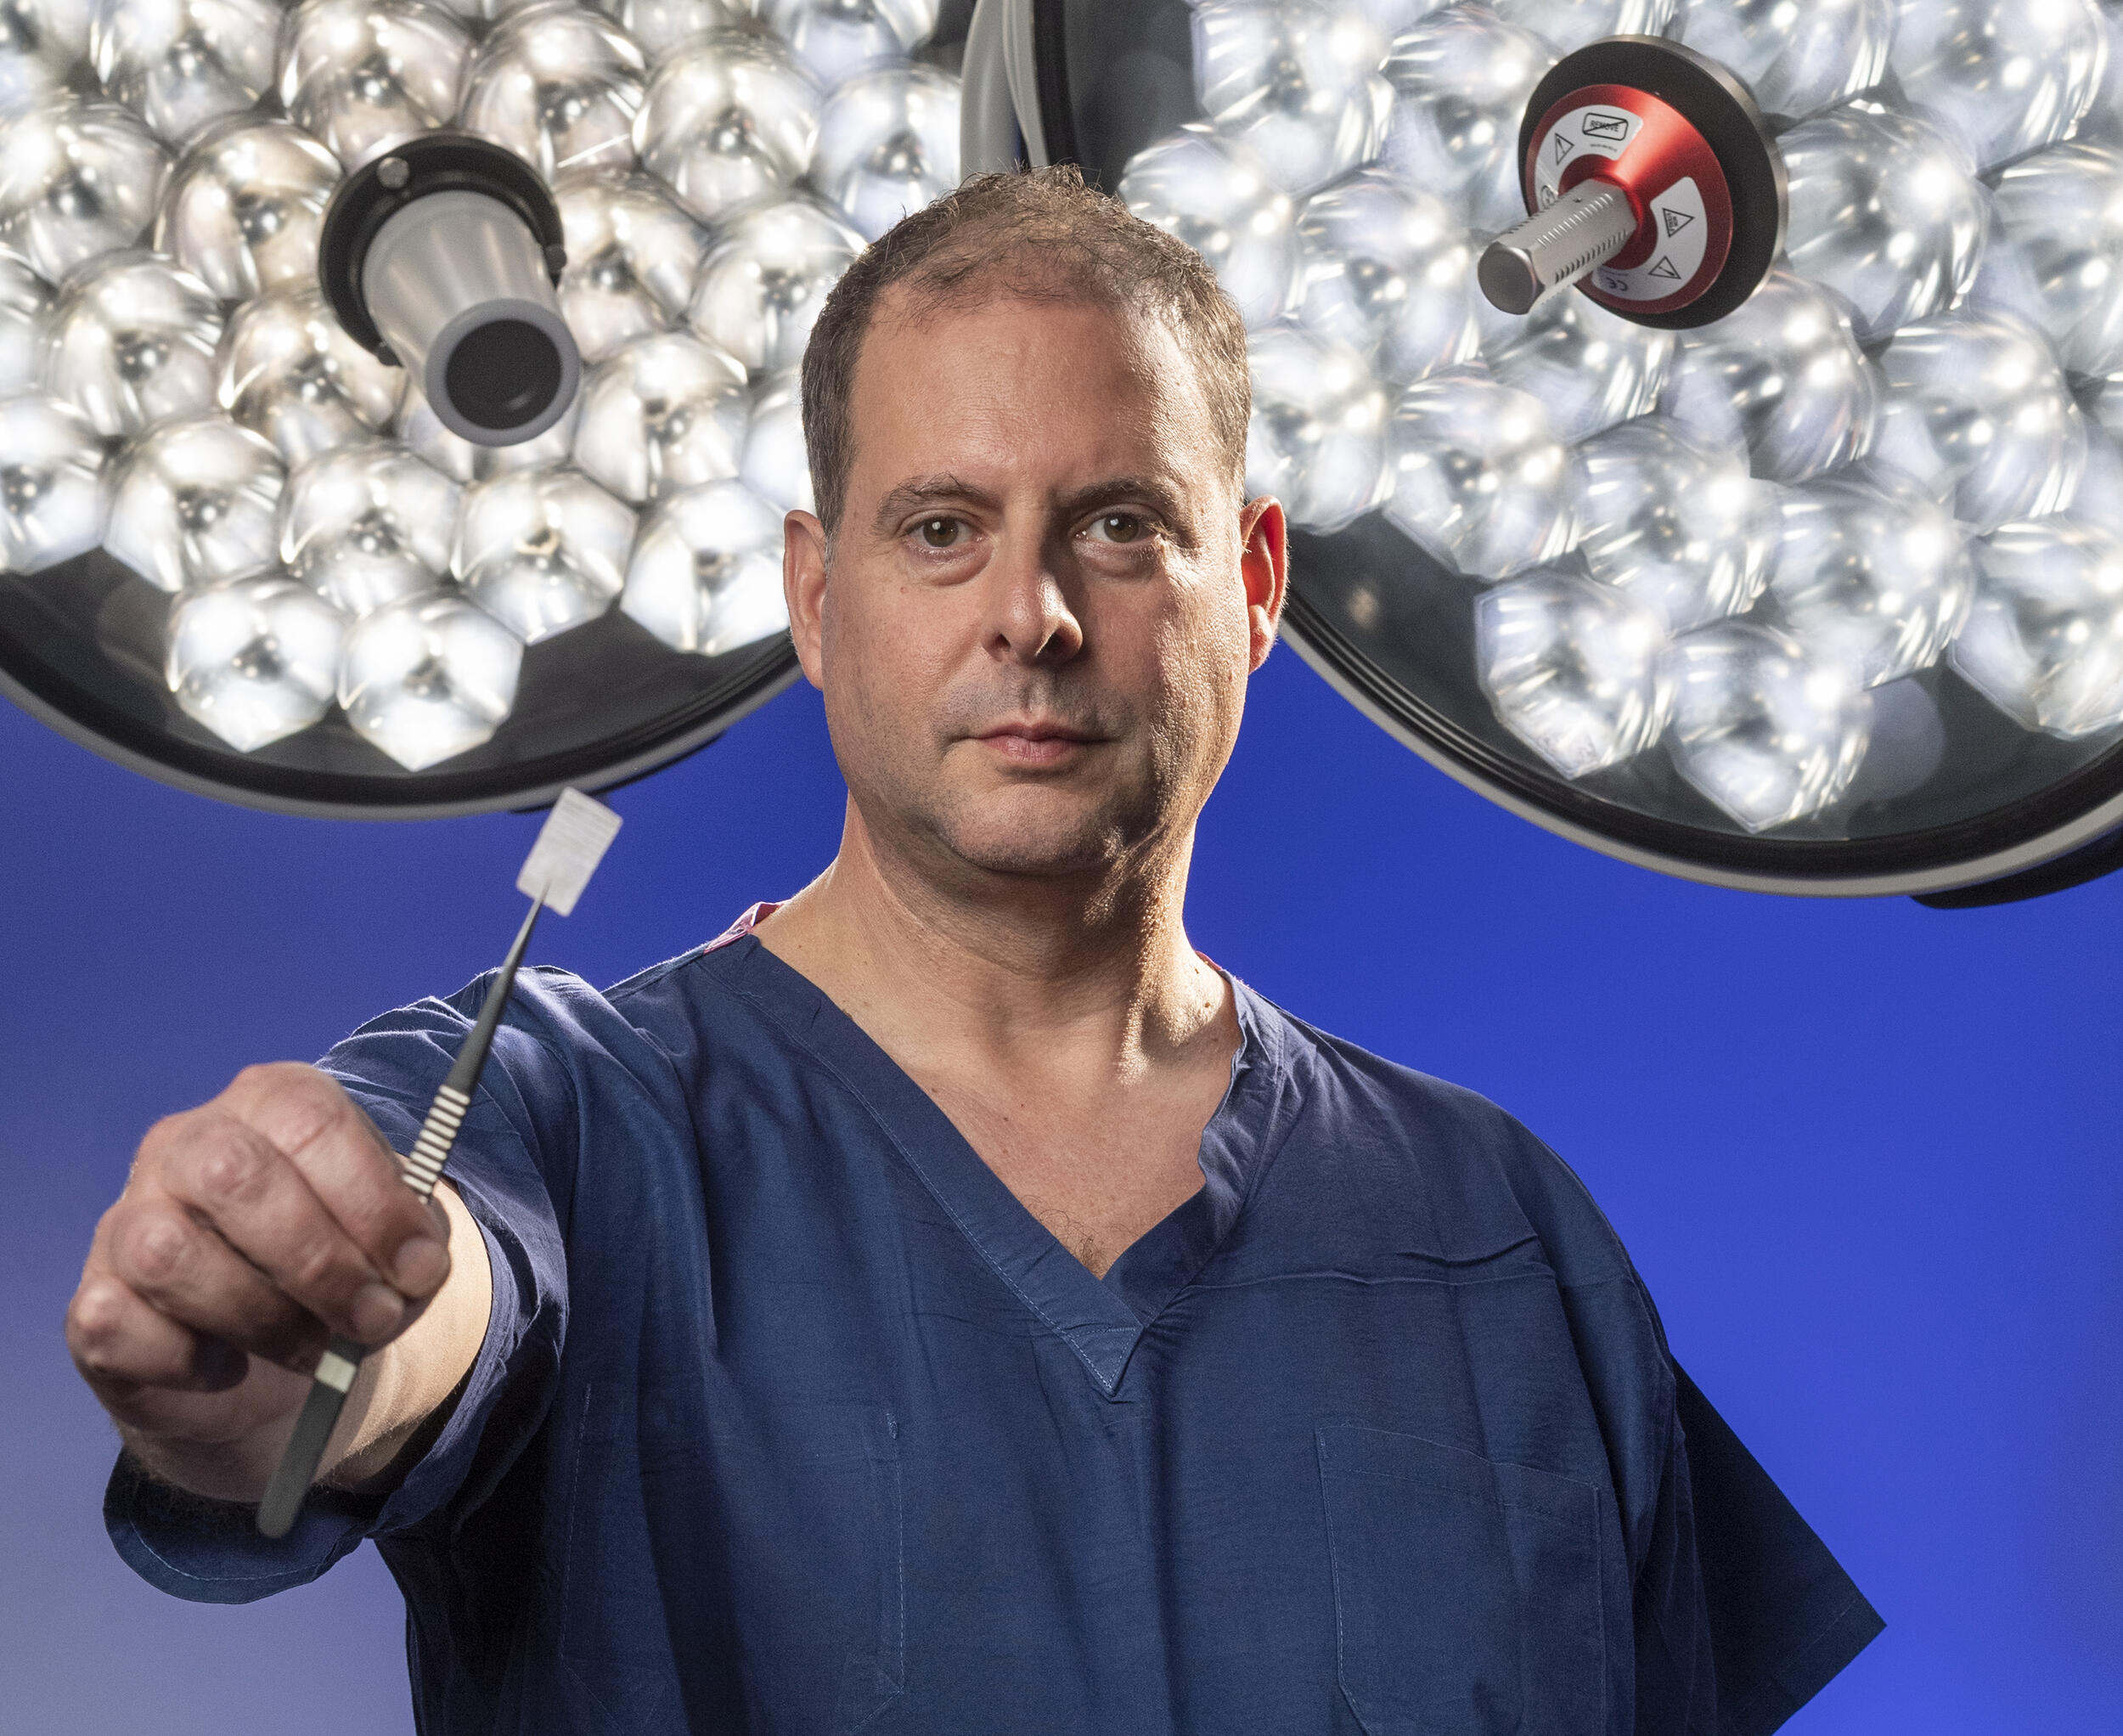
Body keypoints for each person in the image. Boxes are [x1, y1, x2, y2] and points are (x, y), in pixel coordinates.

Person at [68, 166, 1879, 1734]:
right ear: (814, 591)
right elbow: (425, 1303)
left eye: (1116, 524)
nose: (1031, 615)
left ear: (1249, 584)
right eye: (942, 529)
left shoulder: (1497, 1231)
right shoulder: (572, 1117)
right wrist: (286, 1323)